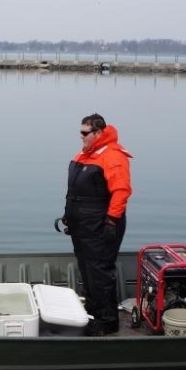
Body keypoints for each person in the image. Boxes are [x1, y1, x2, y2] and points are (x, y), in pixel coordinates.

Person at [61, 113, 132, 336]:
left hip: (100, 225)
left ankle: (107, 321)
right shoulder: (85, 155)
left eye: (85, 133)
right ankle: (92, 311)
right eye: (80, 132)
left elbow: (121, 191)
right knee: (87, 269)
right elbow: (75, 193)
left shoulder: (113, 156)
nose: (81, 136)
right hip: (82, 225)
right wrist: (68, 217)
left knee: (100, 271)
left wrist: (111, 221)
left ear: (98, 133)